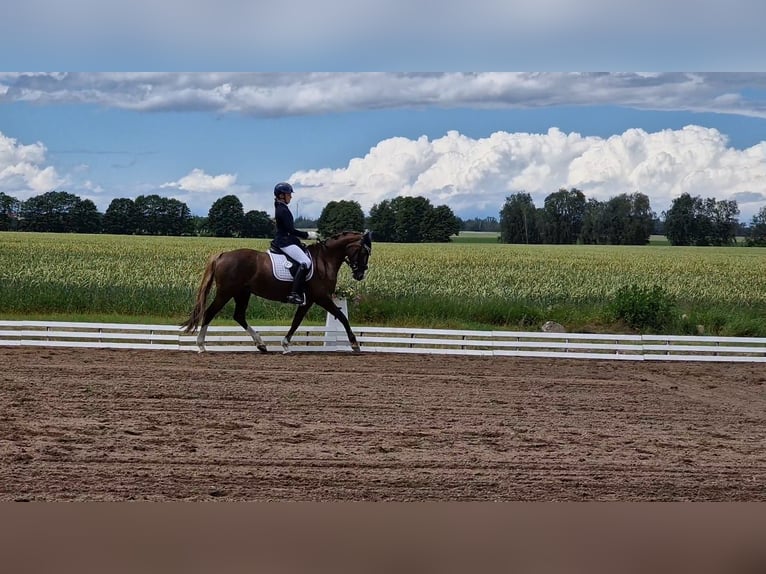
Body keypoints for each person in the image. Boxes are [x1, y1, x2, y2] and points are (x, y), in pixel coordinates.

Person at [271, 182, 319, 305]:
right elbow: (290, 230)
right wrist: (307, 235)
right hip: (284, 242)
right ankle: (295, 294)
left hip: (287, 240)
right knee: (306, 262)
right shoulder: (282, 209)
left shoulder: (281, 207)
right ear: (282, 195)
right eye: (288, 194)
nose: (291, 197)